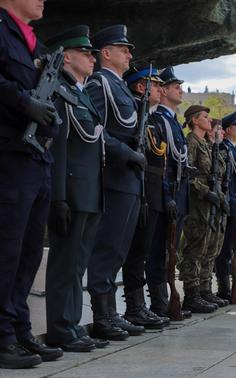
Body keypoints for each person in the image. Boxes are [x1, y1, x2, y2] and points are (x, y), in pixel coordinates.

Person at [0, 0, 63, 368]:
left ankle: (21, 330)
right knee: (6, 250)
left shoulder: (36, 43)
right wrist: (25, 104)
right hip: (8, 152)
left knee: (27, 252)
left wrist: (46, 120)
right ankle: (3, 336)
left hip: (36, 156)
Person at [43, 26, 109, 353]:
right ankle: (59, 327)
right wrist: (58, 197)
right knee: (65, 263)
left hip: (90, 192)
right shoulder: (58, 91)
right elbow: (60, 148)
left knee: (78, 264)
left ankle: (70, 323)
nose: (91, 58)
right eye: (85, 53)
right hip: (71, 190)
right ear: (66, 56)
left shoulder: (80, 93)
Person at [85, 25, 146, 341]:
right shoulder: (99, 83)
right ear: (106, 53)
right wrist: (124, 152)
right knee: (107, 246)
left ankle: (112, 313)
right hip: (113, 175)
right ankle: (102, 315)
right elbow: (93, 128)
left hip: (129, 178)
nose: (129, 54)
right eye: (124, 49)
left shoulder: (120, 87)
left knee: (119, 248)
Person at [119, 65, 168, 330]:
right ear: (141, 87)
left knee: (145, 248)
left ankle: (140, 306)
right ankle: (134, 306)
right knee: (135, 250)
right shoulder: (135, 114)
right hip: (137, 185)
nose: (160, 90)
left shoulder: (153, 120)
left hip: (152, 188)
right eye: (156, 85)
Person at [147, 66, 193, 317]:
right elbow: (162, 163)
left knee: (171, 250)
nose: (181, 90)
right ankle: (158, 302)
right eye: (176, 87)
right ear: (163, 90)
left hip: (179, 193)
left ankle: (166, 300)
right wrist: (167, 197)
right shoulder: (158, 120)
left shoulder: (173, 122)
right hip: (168, 194)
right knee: (159, 250)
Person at [179, 105, 228, 313]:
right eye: (206, 118)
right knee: (196, 248)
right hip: (198, 202)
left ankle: (205, 289)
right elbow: (188, 175)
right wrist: (206, 192)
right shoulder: (191, 142)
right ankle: (192, 294)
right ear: (195, 120)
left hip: (211, 203)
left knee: (210, 247)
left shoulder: (207, 145)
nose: (210, 122)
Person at [215, 112, 236, 303]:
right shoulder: (224, 148)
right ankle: (224, 287)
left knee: (234, 248)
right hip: (229, 205)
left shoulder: (235, 151)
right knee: (225, 249)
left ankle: (234, 284)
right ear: (228, 130)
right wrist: (232, 206)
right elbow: (226, 180)